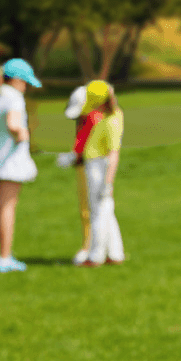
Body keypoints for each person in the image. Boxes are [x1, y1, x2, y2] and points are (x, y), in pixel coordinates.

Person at [0, 59, 42, 273]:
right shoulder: (14, 98)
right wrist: (23, 134)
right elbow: (13, 125)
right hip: (9, 158)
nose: (25, 86)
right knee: (8, 207)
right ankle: (6, 258)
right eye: (24, 82)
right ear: (16, 80)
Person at [75, 80, 124, 267]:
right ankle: (115, 253)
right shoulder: (110, 114)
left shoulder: (111, 121)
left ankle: (95, 256)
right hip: (94, 164)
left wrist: (108, 183)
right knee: (106, 212)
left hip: (100, 168)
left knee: (98, 213)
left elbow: (113, 156)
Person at [63, 86, 96, 265]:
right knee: (88, 209)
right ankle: (92, 247)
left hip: (92, 167)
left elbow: (83, 144)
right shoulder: (84, 118)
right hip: (84, 165)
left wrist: (73, 156)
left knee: (90, 209)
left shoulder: (93, 117)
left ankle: (89, 247)